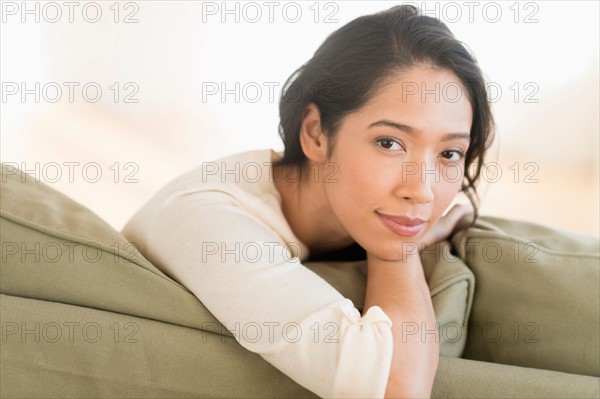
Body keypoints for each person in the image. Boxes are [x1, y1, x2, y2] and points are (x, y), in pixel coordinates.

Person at [122, 4, 494, 398]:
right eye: (389, 143)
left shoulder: (355, 209)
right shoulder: (206, 218)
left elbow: (464, 210)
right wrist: (401, 248)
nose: (421, 190)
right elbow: (395, 387)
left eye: (449, 154)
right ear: (316, 133)